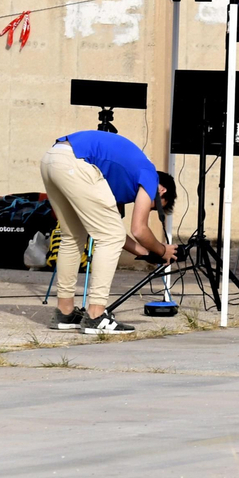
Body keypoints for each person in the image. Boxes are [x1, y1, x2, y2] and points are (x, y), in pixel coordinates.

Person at [40, 130, 178, 335]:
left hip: (52, 158)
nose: (145, 206)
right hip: (76, 162)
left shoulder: (119, 180)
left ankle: (65, 312)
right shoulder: (149, 175)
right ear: (162, 191)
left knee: (72, 236)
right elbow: (138, 229)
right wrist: (162, 250)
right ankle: (96, 315)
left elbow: (115, 234)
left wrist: (145, 252)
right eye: (153, 207)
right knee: (107, 236)